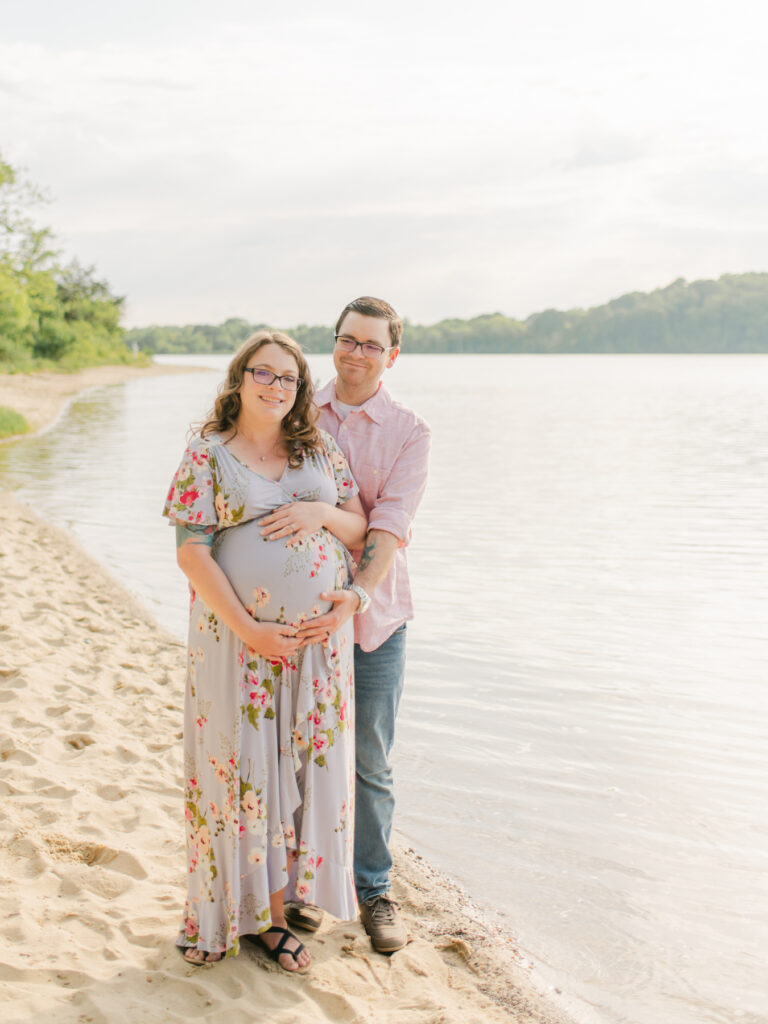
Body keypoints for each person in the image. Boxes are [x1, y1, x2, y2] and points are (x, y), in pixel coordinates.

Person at [162, 331, 367, 972]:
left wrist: (319, 515)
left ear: (301, 388)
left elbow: (358, 525)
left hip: (315, 650)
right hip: (238, 645)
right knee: (243, 774)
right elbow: (191, 551)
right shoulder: (208, 453)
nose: (276, 387)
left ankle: (282, 909)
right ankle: (252, 918)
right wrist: (250, 628)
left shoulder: (317, 447)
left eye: (289, 378)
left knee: (297, 773)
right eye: (265, 373)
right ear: (240, 377)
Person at [288, 297, 431, 953]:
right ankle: (309, 886)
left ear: (391, 356)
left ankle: (374, 890)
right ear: (334, 343)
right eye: (348, 339)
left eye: (373, 344)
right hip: (295, 614)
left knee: (370, 761)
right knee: (299, 751)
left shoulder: (409, 430)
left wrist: (357, 594)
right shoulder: (294, 412)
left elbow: (391, 523)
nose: (357, 353)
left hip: (376, 621)